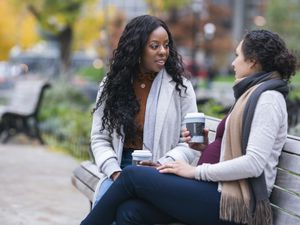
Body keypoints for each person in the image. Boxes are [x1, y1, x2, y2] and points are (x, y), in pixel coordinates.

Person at [81, 29, 297, 225]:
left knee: (132, 176)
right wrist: (204, 148)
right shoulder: (253, 94)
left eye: (237, 56)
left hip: (236, 205)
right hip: (217, 192)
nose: (233, 63)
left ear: (252, 61)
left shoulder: (268, 100)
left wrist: (195, 171)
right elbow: (238, 151)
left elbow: (254, 163)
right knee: (131, 211)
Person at [90, 14, 198, 208]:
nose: (163, 51)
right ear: (137, 49)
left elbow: (189, 144)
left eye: (166, 45)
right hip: (120, 167)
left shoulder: (181, 87)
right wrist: (114, 172)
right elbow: (100, 138)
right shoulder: (112, 85)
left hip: (162, 171)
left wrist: (163, 165)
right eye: (154, 46)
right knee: (105, 204)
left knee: (128, 210)